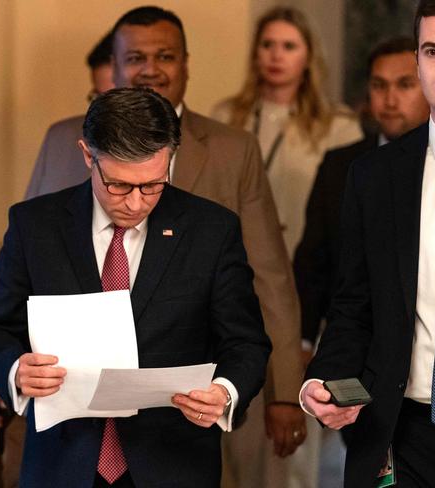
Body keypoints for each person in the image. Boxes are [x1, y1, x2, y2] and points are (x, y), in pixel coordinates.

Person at [25, 5, 306, 470]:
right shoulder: (61, 140)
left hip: (181, 424)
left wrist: (284, 390)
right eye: (135, 57)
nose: (150, 69)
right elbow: (20, 275)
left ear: (186, 63)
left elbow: (269, 278)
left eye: (165, 56)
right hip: (68, 424)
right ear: (112, 66)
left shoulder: (232, 150)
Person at [0, 87, 272, 488]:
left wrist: (225, 391)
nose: (135, 203)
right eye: (118, 186)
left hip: (173, 463)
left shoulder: (211, 231)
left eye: (152, 185)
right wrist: (15, 370)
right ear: (87, 156)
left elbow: (246, 342)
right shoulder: (35, 227)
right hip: (63, 464)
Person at [301, 1, 435, 486]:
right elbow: (354, 305)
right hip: (400, 434)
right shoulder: (375, 175)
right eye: (432, 50)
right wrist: (324, 380)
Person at [210, 6, 362, 487]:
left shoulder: (337, 126)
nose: (276, 57)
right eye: (268, 45)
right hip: (235, 274)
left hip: (300, 280)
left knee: (294, 429)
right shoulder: (226, 117)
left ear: (308, 56)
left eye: (289, 46)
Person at [0, 30, 116, 488]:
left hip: (157, 437)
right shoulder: (61, 141)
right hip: (56, 418)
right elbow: (14, 272)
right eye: (100, 95)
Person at [294, 36, 430, 363]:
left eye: (405, 85)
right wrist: (303, 340)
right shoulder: (341, 166)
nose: (390, 99)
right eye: (379, 85)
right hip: (352, 344)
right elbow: (314, 260)